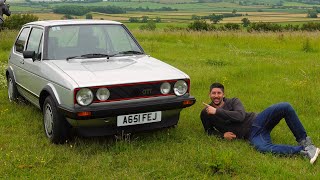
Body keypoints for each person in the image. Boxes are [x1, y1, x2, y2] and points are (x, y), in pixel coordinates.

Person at [200, 82, 320, 164]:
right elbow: (209, 131)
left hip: (258, 120)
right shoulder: (205, 113)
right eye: (213, 93)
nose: (216, 96)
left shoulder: (233, 101)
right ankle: (302, 151)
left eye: (219, 93)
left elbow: (240, 116)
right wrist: (222, 136)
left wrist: (217, 111)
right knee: (262, 147)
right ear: (209, 94)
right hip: (252, 134)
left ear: (223, 94)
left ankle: (306, 142)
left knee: (285, 106)